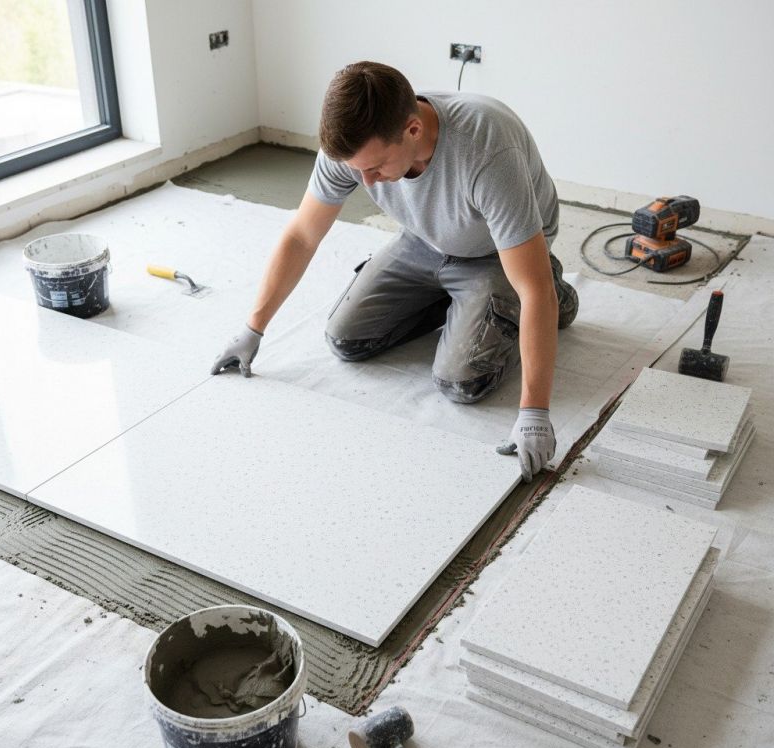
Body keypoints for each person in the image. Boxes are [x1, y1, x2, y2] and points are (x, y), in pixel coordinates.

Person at [211, 61, 578, 481]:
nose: (366, 183)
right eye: (357, 171)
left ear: (413, 130)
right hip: (425, 240)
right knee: (346, 339)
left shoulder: (486, 148)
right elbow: (301, 237)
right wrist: (253, 327)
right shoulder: (353, 149)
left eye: (376, 168)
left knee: (460, 381)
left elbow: (531, 290)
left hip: (497, 252)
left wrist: (534, 413)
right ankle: (464, 303)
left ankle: (557, 293)